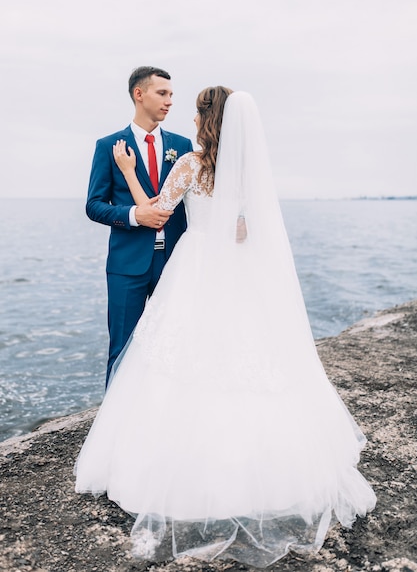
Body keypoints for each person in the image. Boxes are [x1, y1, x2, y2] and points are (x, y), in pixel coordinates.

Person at [75, 88, 376, 567]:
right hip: (235, 273)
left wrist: (130, 173)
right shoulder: (245, 173)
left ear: (205, 120)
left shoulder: (190, 165)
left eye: (194, 108)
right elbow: (243, 229)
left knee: (177, 357)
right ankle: (265, 470)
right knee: (244, 354)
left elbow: (158, 211)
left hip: (194, 267)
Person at [86, 66, 193, 386]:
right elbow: (93, 205)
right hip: (126, 263)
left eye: (172, 94)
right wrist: (135, 215)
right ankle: (112, 429)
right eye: (162, 93)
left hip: (175, 260)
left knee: (173, 345)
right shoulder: (109, 146)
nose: (170, 101)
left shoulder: (182, 144)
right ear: (139, 94)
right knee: (121, 347)